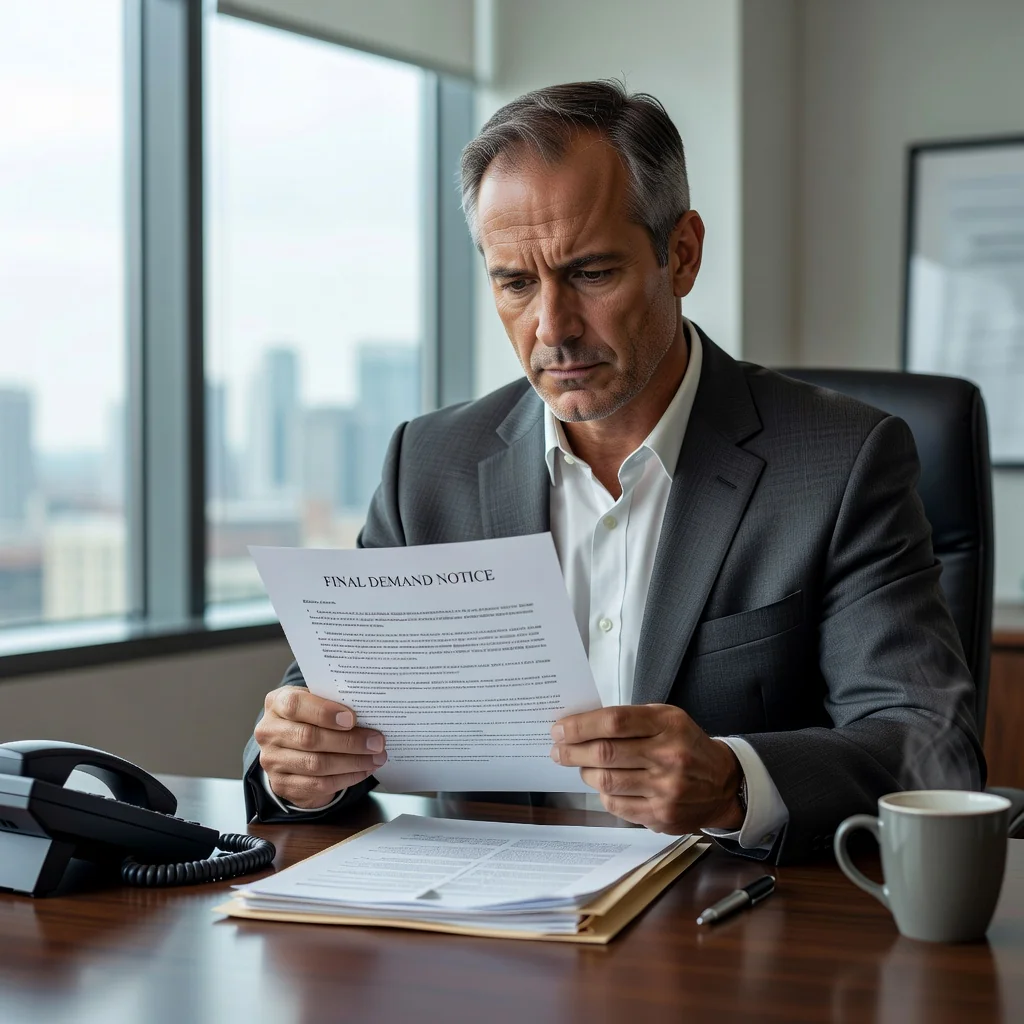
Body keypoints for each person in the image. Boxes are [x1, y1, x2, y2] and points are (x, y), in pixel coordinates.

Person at [243, 80, 982, 863]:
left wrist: (737, 782)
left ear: (683, 254)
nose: (552, 328)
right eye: (516, 283)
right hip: (482, 929)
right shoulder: (427, 466)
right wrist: (300, 767)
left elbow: (930, 744)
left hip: (730, 928)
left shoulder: (840, 460)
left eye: (591, 273)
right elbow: (318, 723)